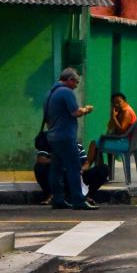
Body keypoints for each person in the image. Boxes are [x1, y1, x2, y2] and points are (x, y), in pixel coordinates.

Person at [44, 67, 95, 210]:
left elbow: (47, 119)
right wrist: (86, 110)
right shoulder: (66, 92)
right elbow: (75, 112)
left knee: (56, 169)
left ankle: (58, 199)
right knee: (74, 167)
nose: (76, 85)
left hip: (53, 136)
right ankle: (78, 200)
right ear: (70, 80)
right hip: (65, 137)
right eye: (76, 82)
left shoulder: (50, 93)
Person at [35, 142, 110, 205]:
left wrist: (80, 170)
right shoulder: (48, 142)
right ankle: (51, 195)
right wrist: (58, 162)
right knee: (39, 167)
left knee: (103, 169)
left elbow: (86, 164)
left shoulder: (77, 145)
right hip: (57, 176)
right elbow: (41, 159)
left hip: (76, 176)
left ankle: (85, 196)